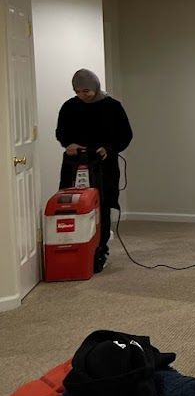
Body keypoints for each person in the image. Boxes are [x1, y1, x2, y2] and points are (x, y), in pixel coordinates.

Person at [55, 70, 132, 272]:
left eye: (86, 90)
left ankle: (100, 249)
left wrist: (109, 148)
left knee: (102, 205)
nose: (82, 95)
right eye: (78, 91)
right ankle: (73, 246)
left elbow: (126, 135)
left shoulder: (113, 107)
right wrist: (68, 144)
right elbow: (60, 132)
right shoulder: (69, 107)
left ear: (96, 87)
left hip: (103, 165)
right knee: (73, 204)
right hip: (74, 163)